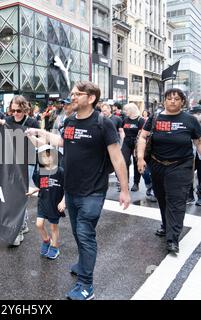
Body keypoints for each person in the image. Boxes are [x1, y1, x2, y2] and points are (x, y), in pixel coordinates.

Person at [26, 81, 130, 300]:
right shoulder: (71, 120)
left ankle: (86, 285)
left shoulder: (103, 123)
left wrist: (124, 189)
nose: (72, 97)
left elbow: (117, 157)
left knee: (85, 235)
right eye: (71, 94)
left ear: (90, 98)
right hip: (71, 190)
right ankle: (82, 264)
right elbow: (63, 142)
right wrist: (39, 132)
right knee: (77, 232)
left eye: (77, 94)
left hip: (92, 192)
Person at [137, 88, 201, 254]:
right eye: (170, 98)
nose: (173, 101)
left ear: (182, 102)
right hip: (157, 164)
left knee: (176, 200)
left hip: (181, 165)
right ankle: (166, 226)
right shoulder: (155, 117)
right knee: (162, 198)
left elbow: (198, 142)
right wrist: (140, 158)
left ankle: (173, 238)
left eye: (177, 98)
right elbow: (143, 137)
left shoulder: (190, 120)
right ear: (164, 100)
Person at [0, 95, 40, 246]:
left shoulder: (32, 122)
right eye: (13, 110)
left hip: (27, 162)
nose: (15, 113)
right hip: (11, 161)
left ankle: (18, 230)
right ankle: (22, 224)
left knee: (21, 194)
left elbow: (38, 144)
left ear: (25, 109)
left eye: (18, 110)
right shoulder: (8, 121)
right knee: (12, 194)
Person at [27, 145, 65, 260]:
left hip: (55, 204)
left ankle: (55, 247)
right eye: (42, 157)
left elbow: (67, 188)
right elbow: (42, 186)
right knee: (39, 224)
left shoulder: (60, 171)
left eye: (47, 156)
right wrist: (34, 190)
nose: (45, 159)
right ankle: (46, 240)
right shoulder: (40, 172)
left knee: (54, 227)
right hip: (43, 202)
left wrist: (63, 201)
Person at [121, 103, 145, 192]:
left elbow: (141, 134)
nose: (125, 112)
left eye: (126, 110)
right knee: (124, 162)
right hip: (126, 142)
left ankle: (136, 183)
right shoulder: (125, 119)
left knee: (136, 163)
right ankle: (125, 183)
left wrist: (137, 147)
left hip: (136, 142)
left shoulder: (140, 120)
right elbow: (122, 131)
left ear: (131, 110)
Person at [188, 105, 201, 205]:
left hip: (199, 154)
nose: (194, 116)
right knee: (188, 175)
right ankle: (190, 196)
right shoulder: (190, 123)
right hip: (191, 153)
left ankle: (200, 196)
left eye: (196, 114)